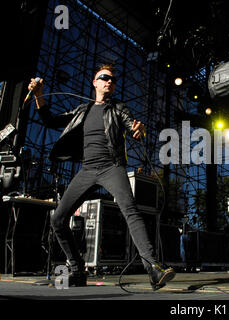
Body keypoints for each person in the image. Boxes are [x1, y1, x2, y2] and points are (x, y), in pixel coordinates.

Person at [27, 64, 175, 290]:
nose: (109, 81)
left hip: (111, 167)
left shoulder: (118, 108)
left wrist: (138, 130)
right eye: (104, 78)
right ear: (94, 83)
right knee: (57, 219)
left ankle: (153, 268)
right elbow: (49, 120)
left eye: (113, 80)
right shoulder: (81, 111)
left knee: (130, 210)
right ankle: (77, 270)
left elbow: (132, 125)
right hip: (87, 170)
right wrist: (39, 96)